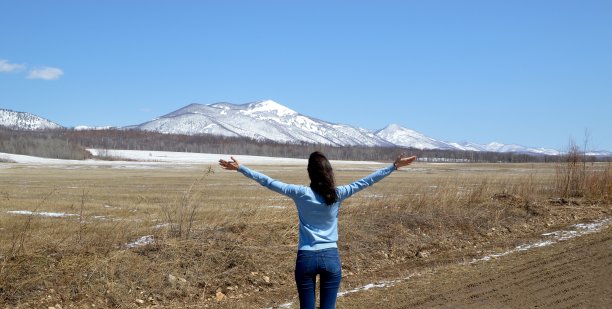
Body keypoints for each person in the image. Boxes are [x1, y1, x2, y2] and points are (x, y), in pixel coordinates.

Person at [219, 152, 416, 309]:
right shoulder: (338, 194)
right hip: (331, 258)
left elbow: (269, 182)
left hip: (306, 258)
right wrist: (393, 167)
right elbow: (366, 181)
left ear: (310, 172)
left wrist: (241, 168)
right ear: (329, 172)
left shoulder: (300, 193)